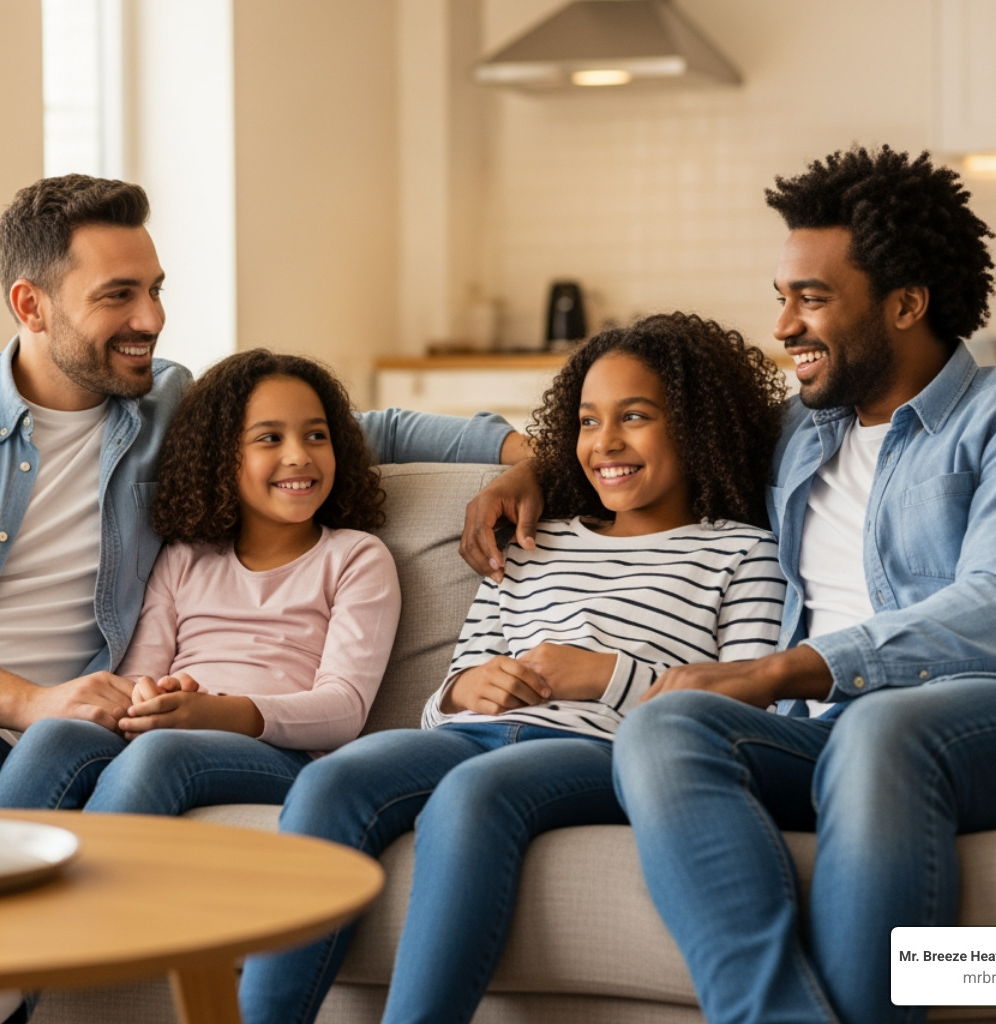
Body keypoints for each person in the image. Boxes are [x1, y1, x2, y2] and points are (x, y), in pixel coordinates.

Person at [462, 147, 996, 1024]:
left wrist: (781, 671)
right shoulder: (795, 431)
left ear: (906, 304)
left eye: (813, 299)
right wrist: (525, 465)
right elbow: (635, 443)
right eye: (782, 298)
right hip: (831, 737)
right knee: (668, 727)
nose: (784, 325)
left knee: (882, 727)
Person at [0, 174, 525, 796]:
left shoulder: (172, 407)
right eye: (119, 296)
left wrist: (525, 455)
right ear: (32, 307)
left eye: (154, 289)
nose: (152, 319)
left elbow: (364, 427)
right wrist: (30, 698)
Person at [238, 312, 789, 1024]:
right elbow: (442, 700)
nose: (606, 443)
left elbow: (745, 720)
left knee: (475, 795)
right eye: (588, 422)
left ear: (697, 424)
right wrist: (469, 686)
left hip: (603, 752)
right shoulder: (534, 542)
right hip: (472, 736)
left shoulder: (743, 555)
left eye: (635, 417)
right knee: (333, 780)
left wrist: (604, 676)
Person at [0, 349, 400, 815]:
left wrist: (219, 713)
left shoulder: (355, 558)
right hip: (172, 731)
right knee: (56, 734)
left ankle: (105, 890)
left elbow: (343, 708)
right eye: (270, 438)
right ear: (222, 456)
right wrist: (149, 700)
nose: (299, 456)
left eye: (316, 436)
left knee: (161, 754)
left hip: (284, 755)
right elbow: (138, 674)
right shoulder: (184, 557)